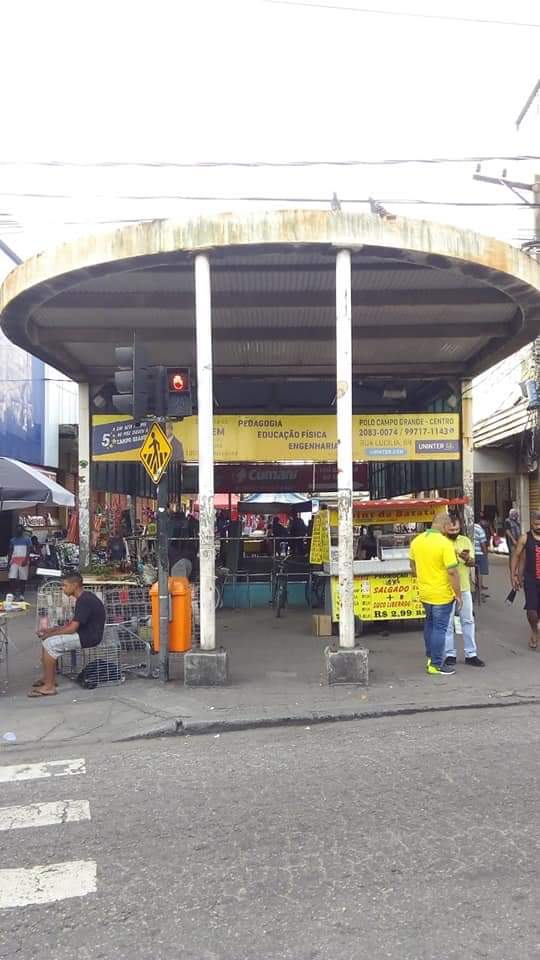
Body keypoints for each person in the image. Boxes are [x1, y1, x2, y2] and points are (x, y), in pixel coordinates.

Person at [30, 573, 106, 697]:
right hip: (82, 633)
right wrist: (50, 631)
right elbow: (72, 625)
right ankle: (49, 678)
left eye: (65, 586)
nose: (63, 588)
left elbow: (72, 628)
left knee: (50, 644)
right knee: (46, 642)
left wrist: (50, 635)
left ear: (75, 585)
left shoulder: (84, 600)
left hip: (88, 637)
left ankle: (49, 687)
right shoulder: (84, 598)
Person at [409, 512, 462, 676]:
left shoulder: (416, 541)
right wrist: (458, 594)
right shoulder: (445, 544)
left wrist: (424, 579)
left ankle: (430, 657)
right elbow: (452, 572)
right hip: (441, 594)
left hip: (425, 592)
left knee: (429, 625)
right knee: (439, 628)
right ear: (446, 526)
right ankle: (436, 664)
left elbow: (412, 567)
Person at [444, 519, 485, 667]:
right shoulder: (441, 542)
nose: (454, 533)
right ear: (445, 528)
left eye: (456, 530)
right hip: (445, 588)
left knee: (467, 620)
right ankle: (450, 654)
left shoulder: (466, 541)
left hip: (464, 587)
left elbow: (473, 562)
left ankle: (471, 654)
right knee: (447, 623)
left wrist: (467, 559)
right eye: (451, 530)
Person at [511, 511, 540, 650]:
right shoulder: (525, 538)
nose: (538, 526)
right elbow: (516, 556)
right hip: (530, 579)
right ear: (531, 523)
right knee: (531, 611)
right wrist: (514, 575)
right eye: (536, 524)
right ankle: (534, 631)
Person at [8, 524, 33, 600]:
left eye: (20, 529)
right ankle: (13, 595)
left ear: (22, 531)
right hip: (14, 561)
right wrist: (8, 562)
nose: (19, 531)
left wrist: (26, 560)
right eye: (17, 529)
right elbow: (10, 551)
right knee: (12, 578)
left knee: (23, 578)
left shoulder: (27, 539)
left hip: (23, 561)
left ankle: (22, 595)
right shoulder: (12, 540)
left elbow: (29, 550)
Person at [473, 518, 489, 595]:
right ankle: (480, 590)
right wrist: (486, 554)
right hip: (479, 554)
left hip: (472, 554)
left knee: (474, 572)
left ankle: (475, 587)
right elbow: (483, 544)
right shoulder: (480, 530)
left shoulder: (469, 527)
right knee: (480, 573)